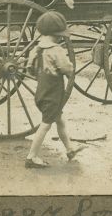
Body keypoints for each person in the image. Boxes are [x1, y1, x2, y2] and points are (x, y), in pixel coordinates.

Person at [25, 11, 83, 168]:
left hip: (41, 93)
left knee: (60, 121)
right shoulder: (56, 50)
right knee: (45, 125)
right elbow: (67, 69)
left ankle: (70, 149)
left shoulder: (35, 50)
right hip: (53, 94)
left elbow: (29, 69)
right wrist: (71, 67)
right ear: (57, 35)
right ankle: (31, 157)